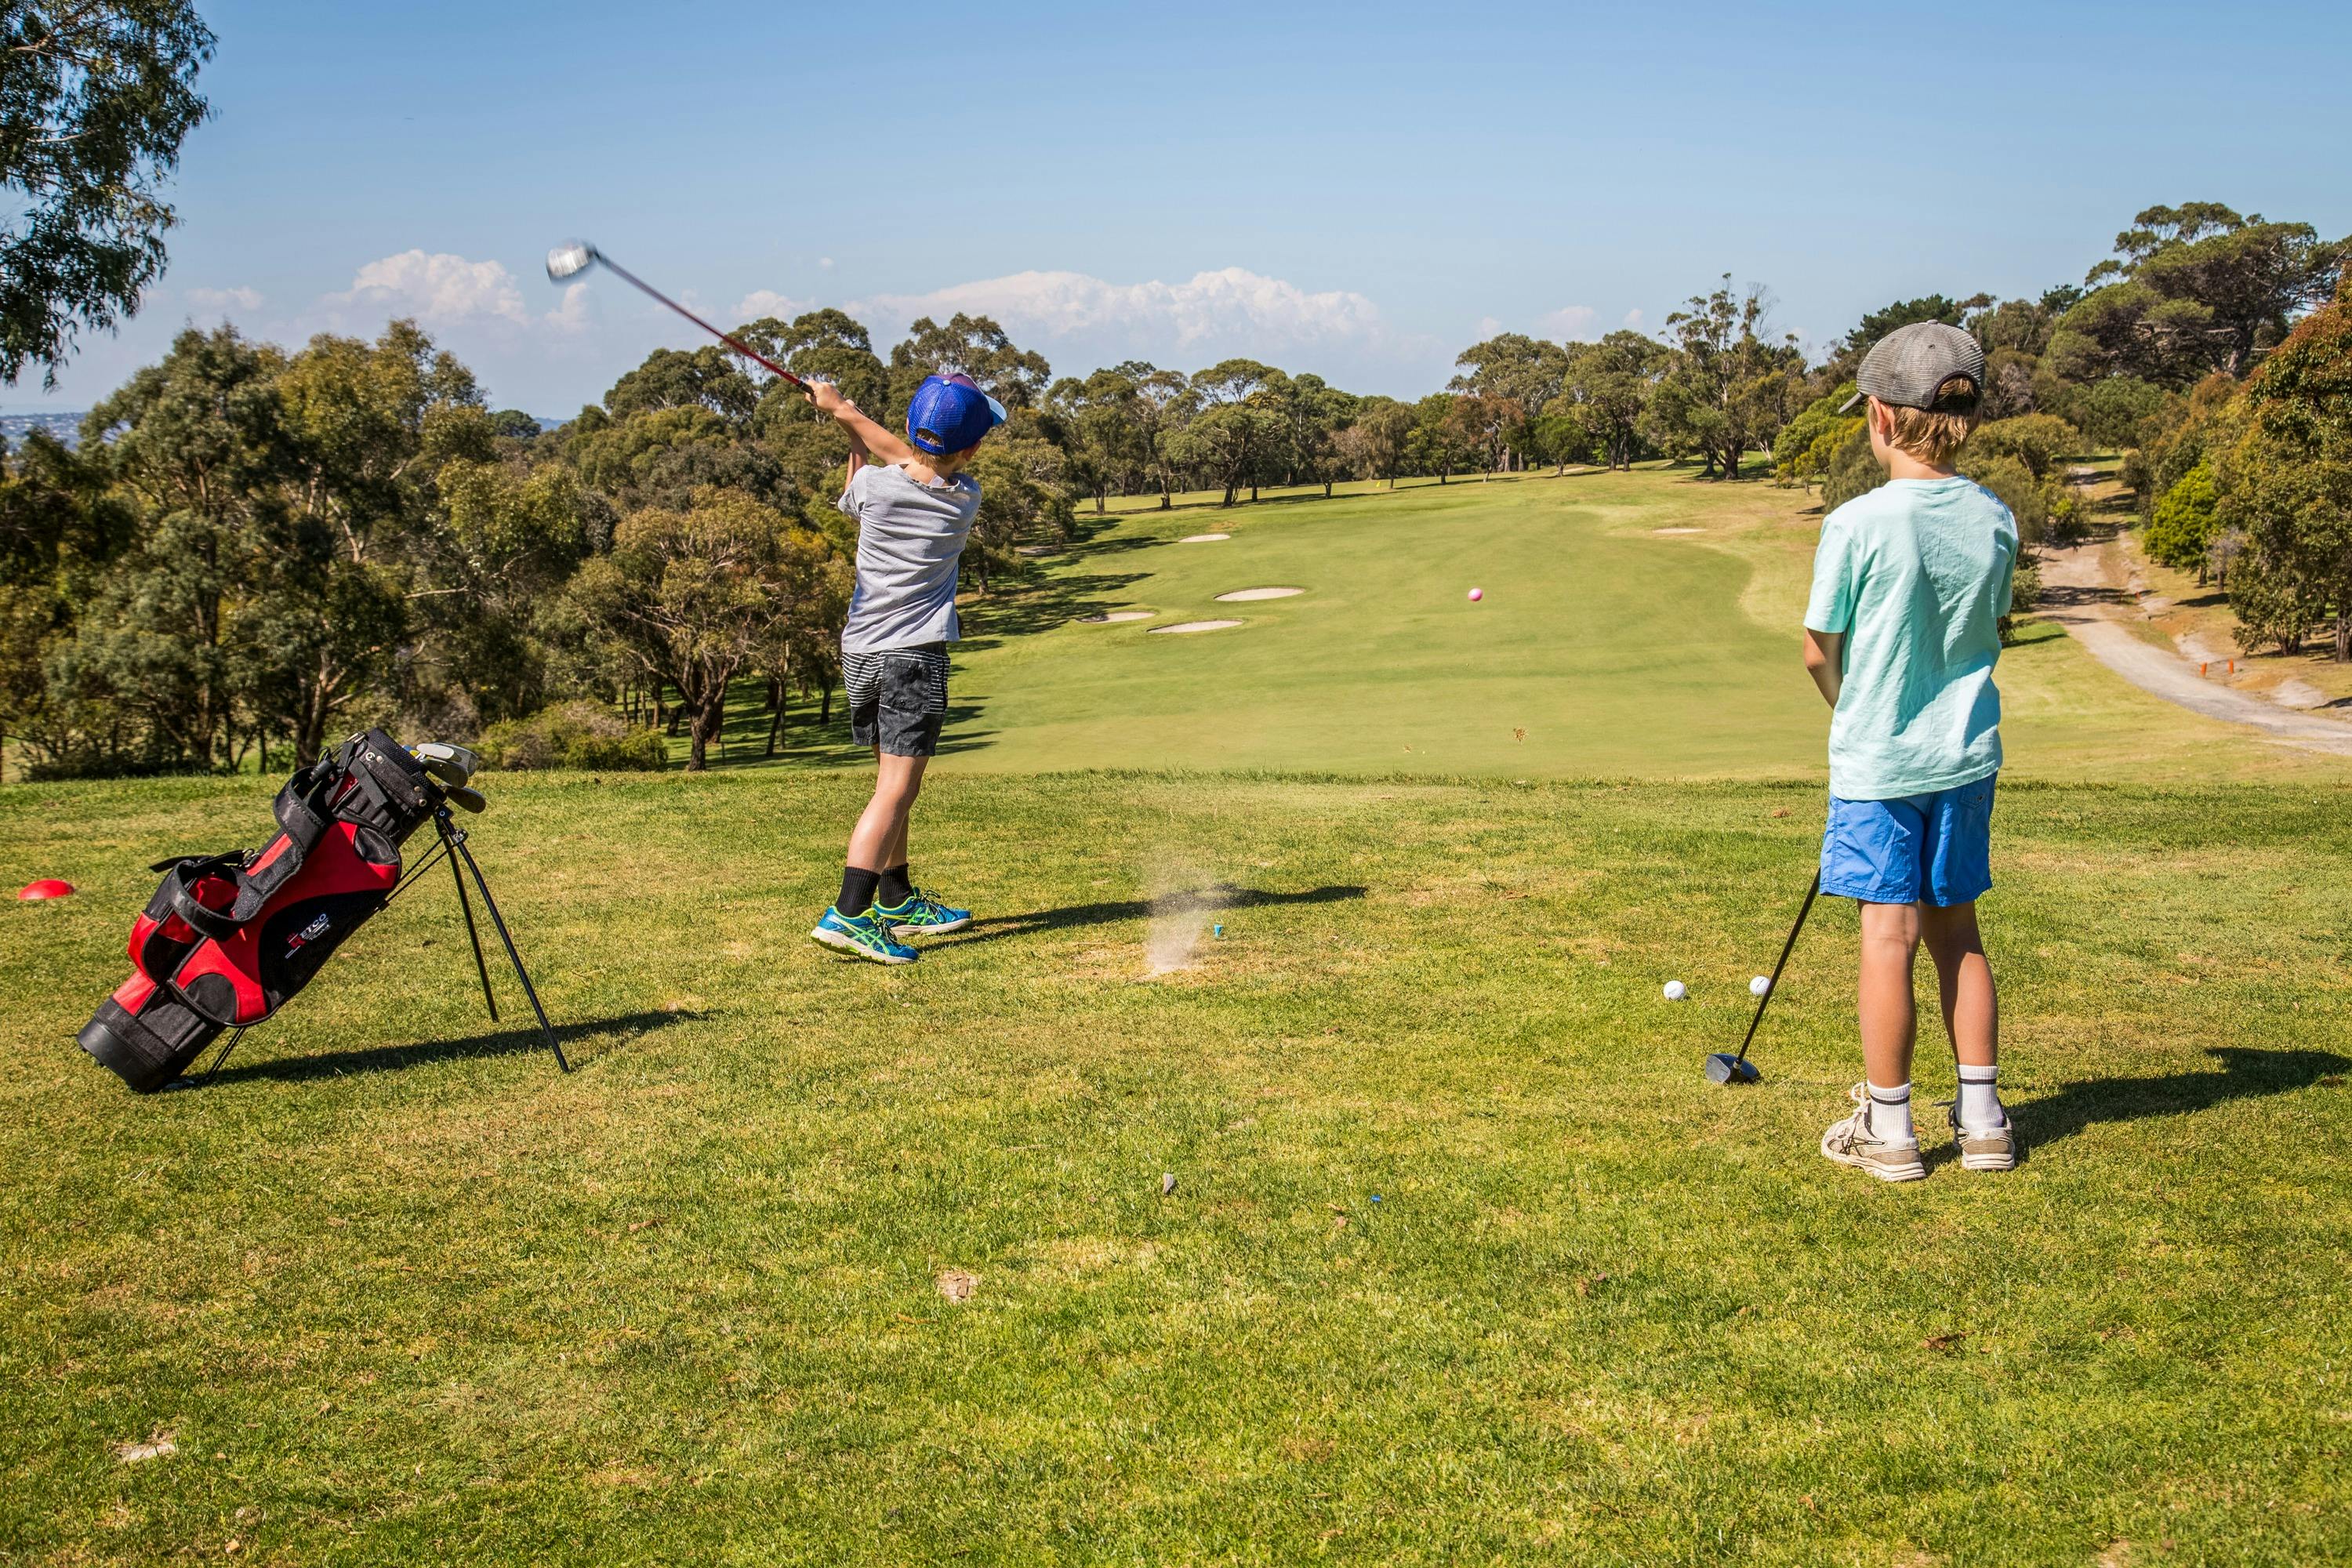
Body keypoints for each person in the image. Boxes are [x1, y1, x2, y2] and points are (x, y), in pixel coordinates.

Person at [1801, 322, 2019, 1181]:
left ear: (1882, 418)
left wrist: (1848, 708)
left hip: (1880, 764)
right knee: (1957, 930)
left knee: (1885, 936)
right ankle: (1984, 1120)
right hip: (1966, 754)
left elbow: (1822, 648)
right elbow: (1989, 624)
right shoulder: (1995, 515)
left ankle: (1891, 1129)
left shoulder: (1855, 521)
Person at [805, 372, 1005, 964]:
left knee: (889, 783)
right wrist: (845, 412)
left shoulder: (873, 486)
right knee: (897, 788)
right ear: (968, 449)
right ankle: (847, 915)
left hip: (861, 652)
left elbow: (881, 466)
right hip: (914, 656)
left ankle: (896, 900)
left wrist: (846, 418)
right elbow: (910, 454)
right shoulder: (963, 496)